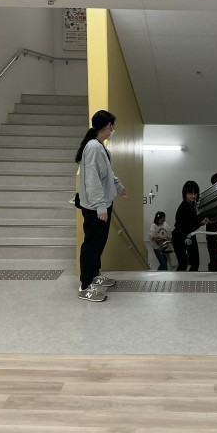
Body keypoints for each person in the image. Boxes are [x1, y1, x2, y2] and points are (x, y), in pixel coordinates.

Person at [75, 110, 127, 302]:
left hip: (103, 203)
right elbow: (92, 178)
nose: (113, 129)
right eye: (113, 126)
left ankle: (94, 274)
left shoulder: (100, 147)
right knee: (92, 245)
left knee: (99, 243)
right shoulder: (93, 147)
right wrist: (100, 205)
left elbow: (106, 173)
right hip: (95, 207)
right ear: (108, 126)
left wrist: (118, 186)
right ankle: (85, 286)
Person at [172, 180, 208, 271]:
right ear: (185, 194)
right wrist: (201, 223)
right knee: (184, 264)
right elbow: (187, 226)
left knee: (193, 263)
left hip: (189, 235)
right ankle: (181, 280)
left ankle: (188, 280)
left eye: (195, 193)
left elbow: (193, 222)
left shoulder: (192, 205)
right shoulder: (185, 206)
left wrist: (200, 222)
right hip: (180, 237)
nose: (193, 196)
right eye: (190, 193)